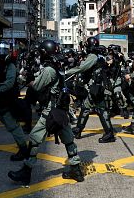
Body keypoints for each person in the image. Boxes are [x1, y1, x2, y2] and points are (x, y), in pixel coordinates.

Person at [8, 39, 83, 186]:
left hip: (51, 110)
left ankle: (26, 171)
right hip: (60, 109)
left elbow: (36, 86)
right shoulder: (57, 66)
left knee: (35, 139)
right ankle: (76, 170)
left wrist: (25, 76)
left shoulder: (49, 69)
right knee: (68, 138)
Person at [69, 36, 116, 143]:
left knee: (100, 110)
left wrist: (68, 72)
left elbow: (82, 68)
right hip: (98, 88)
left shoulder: (93, 57)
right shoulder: (100, 56)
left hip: (96, 88)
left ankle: (109, 134)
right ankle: (78, 129)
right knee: (88, 108)